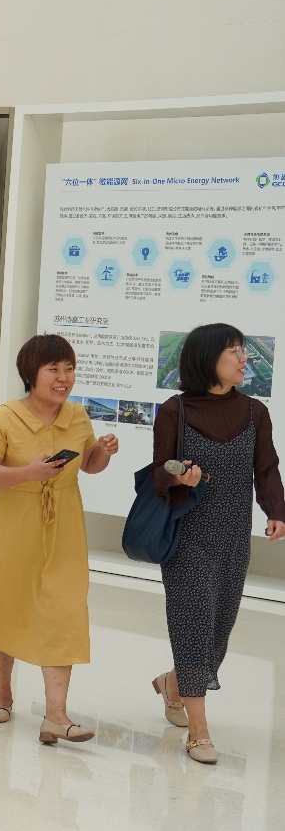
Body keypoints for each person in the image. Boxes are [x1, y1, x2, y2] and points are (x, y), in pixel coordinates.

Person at [0, 334, 118, 746]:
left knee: (63, 609)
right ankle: (3, 693)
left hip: (64, 526)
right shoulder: (3, 417)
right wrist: (28, 473)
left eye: (69, 369)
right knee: (8, 605)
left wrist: (103, 452)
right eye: (53, 369)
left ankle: (56, 715)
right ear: (30, 374)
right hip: (12, 524)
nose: (63, 378)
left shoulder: (78, 415)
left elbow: (89, 465)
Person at [148, 324, 285, 764]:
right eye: (234, 352)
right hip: (187, 536)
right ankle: (200, 732)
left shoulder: (254, 412)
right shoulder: (175, 410)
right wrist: (178, 476)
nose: (245, 359)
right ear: (208, 359)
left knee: (217, 633)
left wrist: (276, 510)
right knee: (192, 626)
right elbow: (159, 470)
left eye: (244, 351)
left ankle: (173, 683)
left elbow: (266, 468)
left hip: (233, 539)